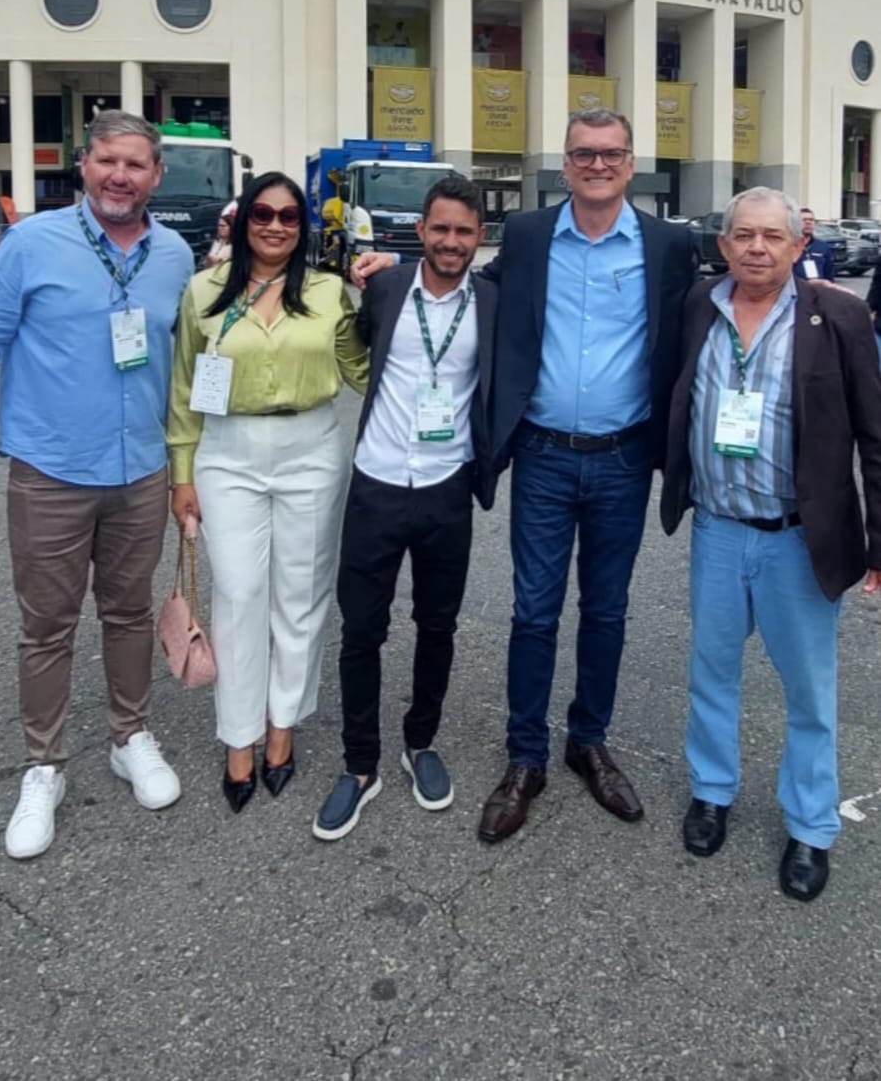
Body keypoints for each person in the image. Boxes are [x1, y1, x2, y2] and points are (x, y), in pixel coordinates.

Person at [356, 108, 695, 843]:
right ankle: (524, 756)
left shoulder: (668, 245)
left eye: (609, 154)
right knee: (533, 611)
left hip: (624, 456)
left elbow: (710, 307)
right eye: (582, 153)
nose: (596, 164)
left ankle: (589, 740)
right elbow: (461, 282)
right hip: (541, 453)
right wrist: (391, 271)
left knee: (606, 609)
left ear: (630, 163)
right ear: (564, 164)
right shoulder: (532, 235)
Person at [0, 110, 194, 860]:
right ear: (84, 163)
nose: (120, 176)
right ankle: (43, 764)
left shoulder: (173, 254)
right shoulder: (32, 242)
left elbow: (187, 356)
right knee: (47, 623)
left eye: (136, 165)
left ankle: (128, 733)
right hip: (51, 467)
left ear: (156, 175)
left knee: (129, 611)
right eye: (108, 160)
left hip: (140, 470)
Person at [660, 188, 881, 902]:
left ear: (796, 244)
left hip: (796, 536)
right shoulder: (699, 305)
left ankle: (810, 827)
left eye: (771, 236)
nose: (756, 247)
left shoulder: (838, 315)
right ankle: (711, 791)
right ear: (721, 245)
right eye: (742, 235)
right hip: (719, 530)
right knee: (711, 673)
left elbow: (874, 437)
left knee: (810, 694)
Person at [167, 171, 369, 812]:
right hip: (228, 455)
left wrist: (389, 293)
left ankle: (282, 728)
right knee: (240, 592)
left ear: (302, 226)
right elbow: (183, 391)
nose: (276, 226)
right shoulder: (202, 293)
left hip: (311, 450)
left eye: (288, 216)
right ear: (244, 219)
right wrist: (182, 473)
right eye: (263, 214)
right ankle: (238, 738)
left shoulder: (329, 291)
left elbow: (363, 371)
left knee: (301, 597)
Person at [313, 175, 498, 841]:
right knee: (361, 630)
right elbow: (346, 344)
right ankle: (359, 765)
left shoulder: (493, 303)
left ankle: (419, 742)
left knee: (437, 624)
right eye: (440, 228)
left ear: (480, 239)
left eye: (464, 231)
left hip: (447, 487)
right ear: (420, 230)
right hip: (377, 482)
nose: (451, 241)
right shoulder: (385, 288)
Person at [792, 207, 835, 281]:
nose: (808, 222)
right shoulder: (788, 246)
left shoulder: (823, 247)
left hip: (816, 290)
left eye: (811, 220)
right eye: (804, 220)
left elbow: (829, 276)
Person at [202, 201, 236, 267]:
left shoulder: (236, 245)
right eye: (219, 226)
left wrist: (220, 260)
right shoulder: (216, 242)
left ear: (231, 227)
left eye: (223, 226)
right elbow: (206, 264)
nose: (220, 228)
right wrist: (208, 260)